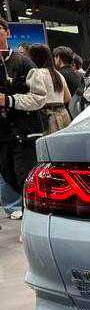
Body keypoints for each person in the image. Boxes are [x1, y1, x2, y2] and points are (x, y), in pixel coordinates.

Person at [1, 44, 71, 218]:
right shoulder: (58, 75)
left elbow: (37, 99)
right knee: (57, 162)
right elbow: (68, 97)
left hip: (43, 118)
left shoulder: (35, 73)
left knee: (37, 165)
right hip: (61, 116)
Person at [0, 19, 41, 220]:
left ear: (7, 32)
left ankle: (33, 221)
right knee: (9, 177)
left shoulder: (24, 63)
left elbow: (39, 98)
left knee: (25, 179)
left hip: (23, 133)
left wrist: (9, 100)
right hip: (2, 135)